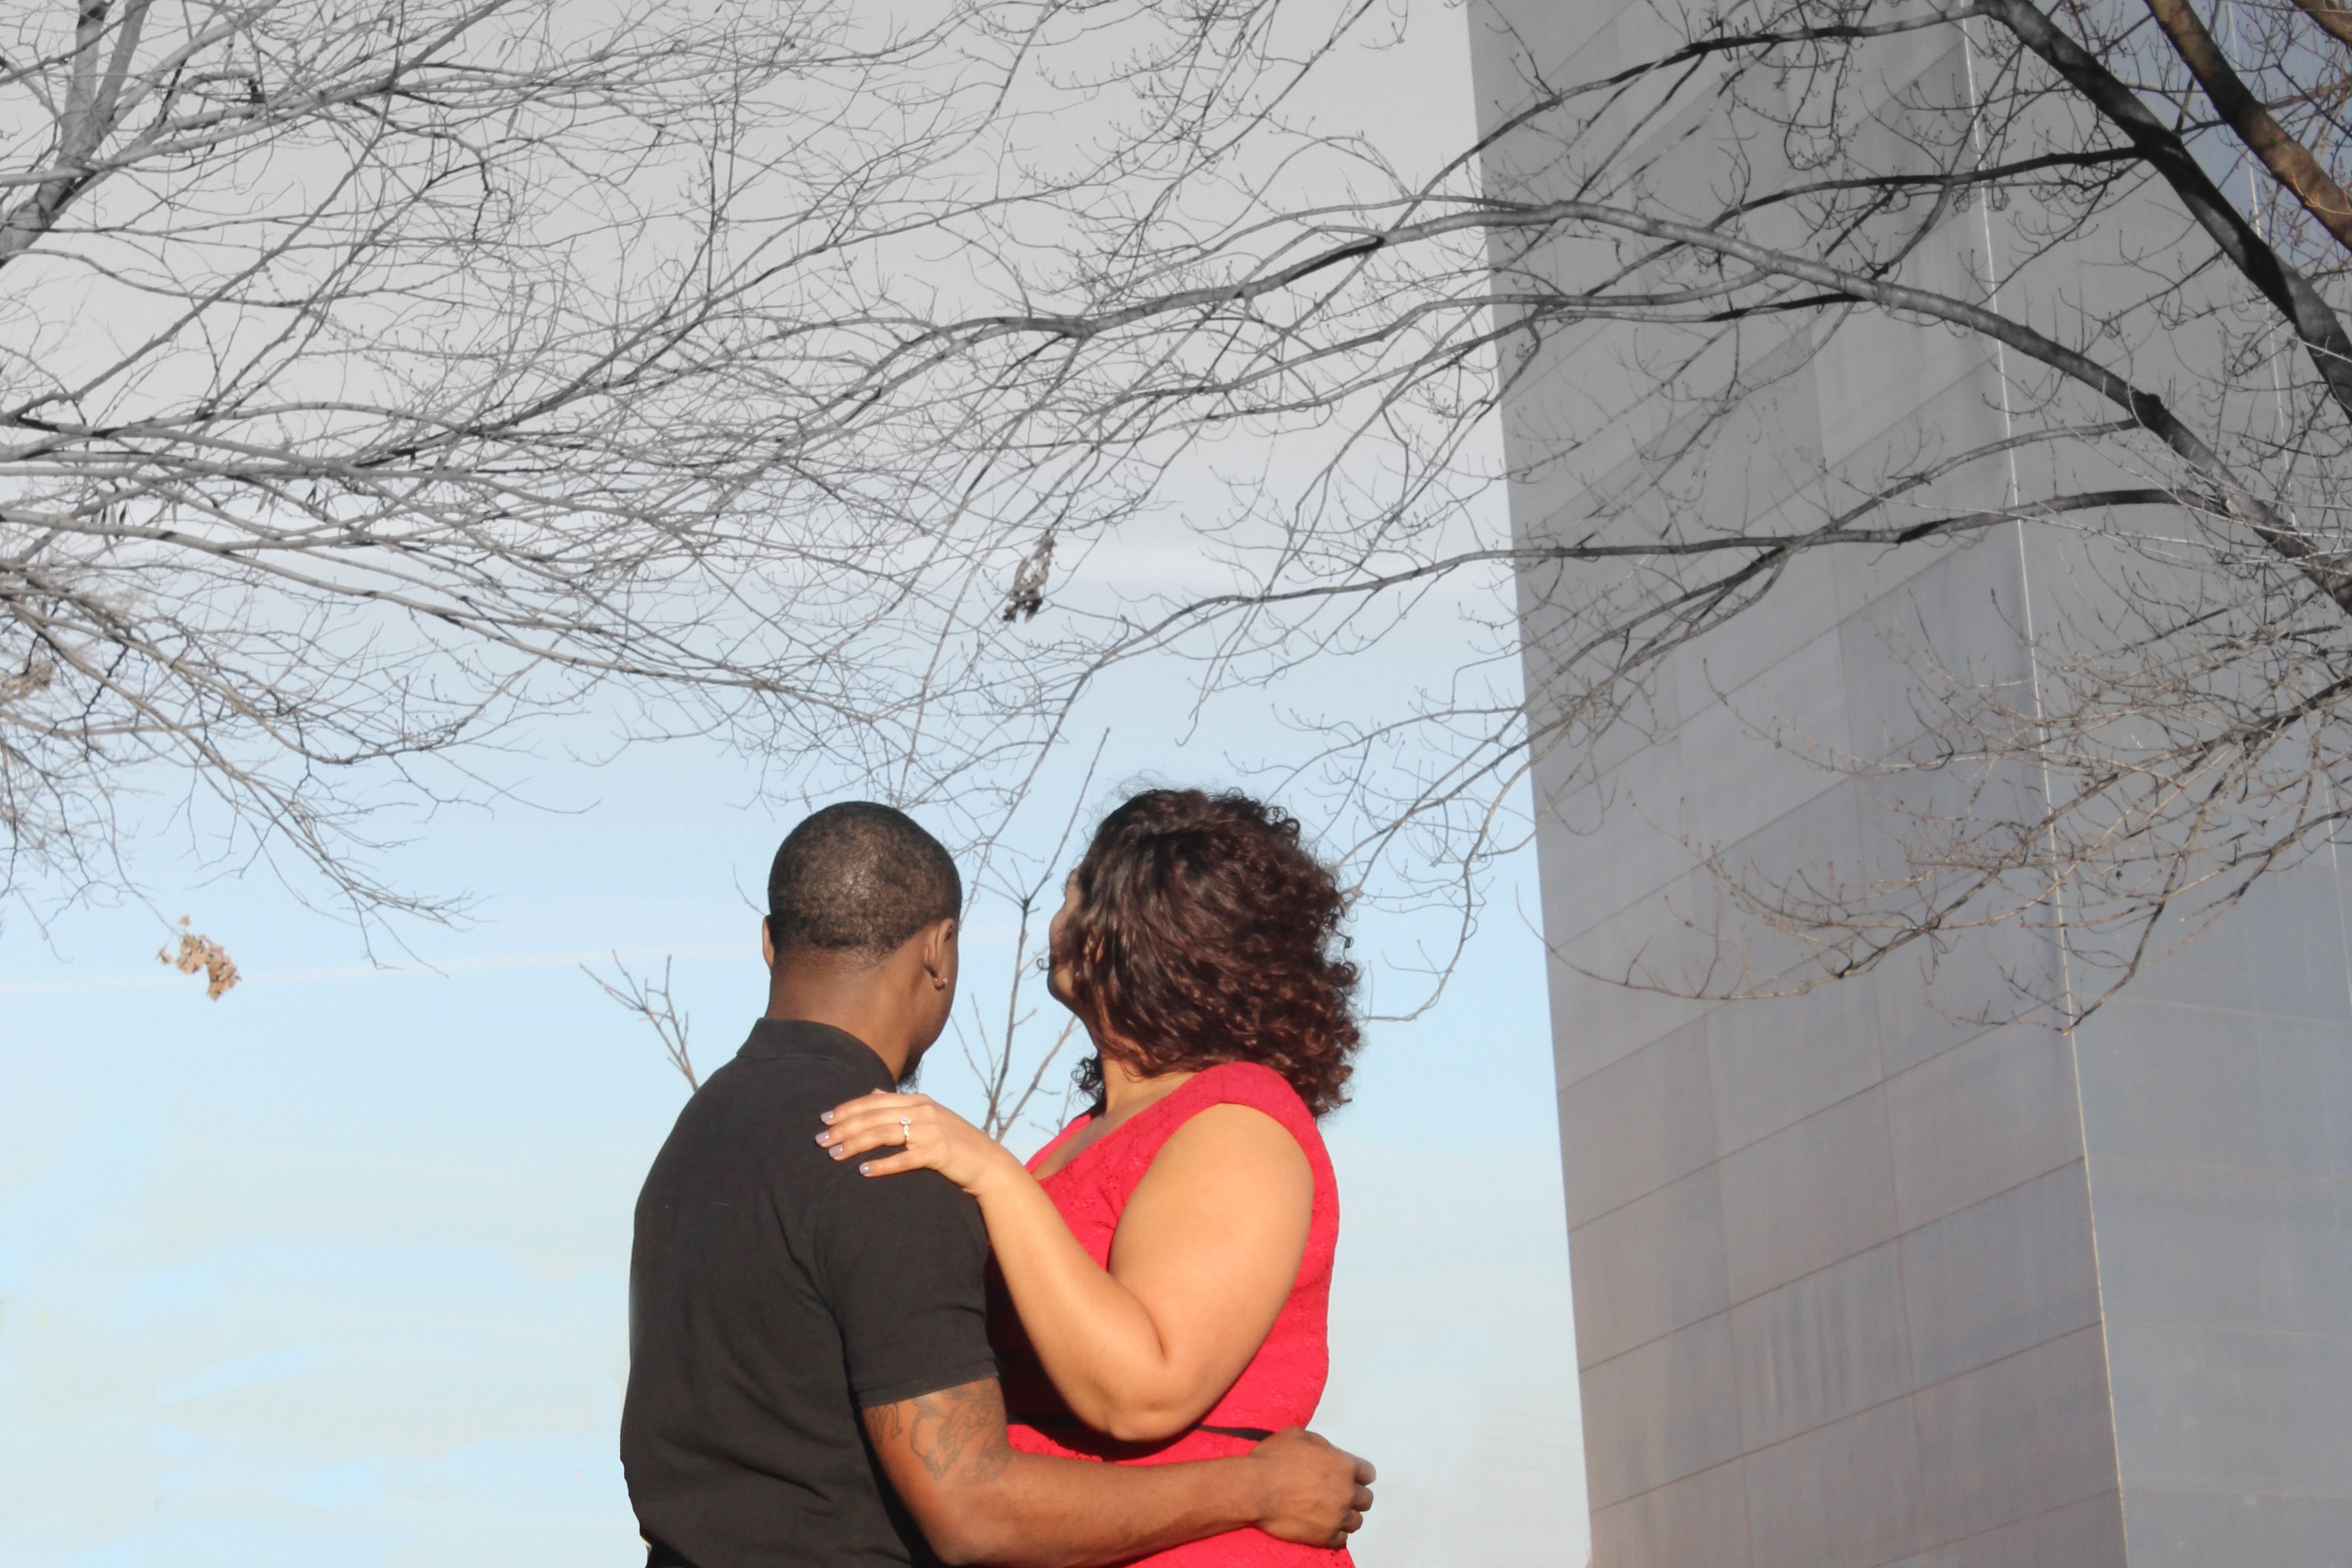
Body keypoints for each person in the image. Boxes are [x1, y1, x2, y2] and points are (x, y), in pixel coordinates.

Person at [621, 802, 1374, 1568]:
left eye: (1079, 894)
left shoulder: (1236, 1121)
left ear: (1151, 925)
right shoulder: (1075, 1143)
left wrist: (993, 1174)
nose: (1057, 920)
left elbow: (1145, 1392)